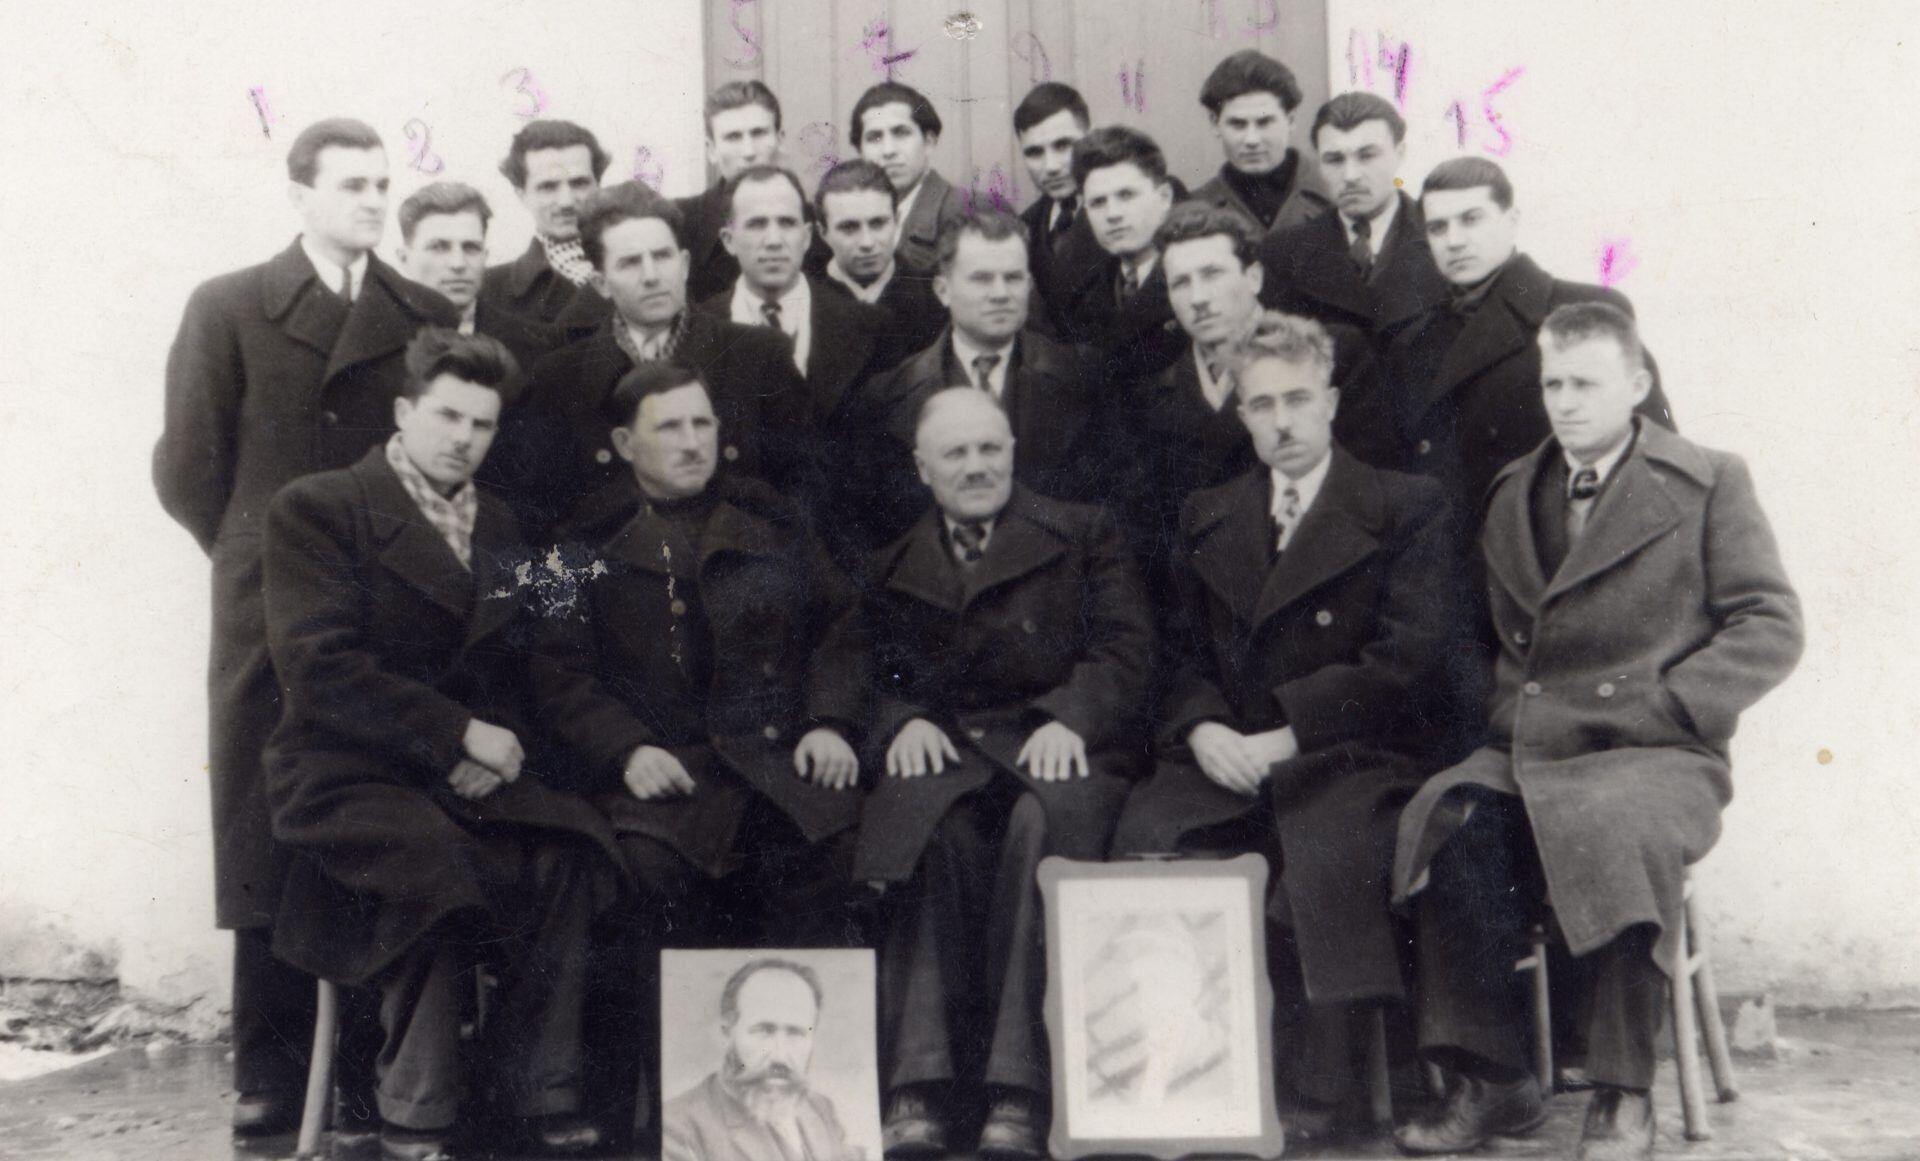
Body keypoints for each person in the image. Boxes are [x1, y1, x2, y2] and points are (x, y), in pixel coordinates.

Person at [1390, 304, 1804, 1160]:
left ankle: (1622, 1090)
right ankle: (1494, 1079)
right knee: (1452, 818)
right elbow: (1478, 636)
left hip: (1658, 747)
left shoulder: (1708, 479)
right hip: (1537, 743)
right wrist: (1506, 712)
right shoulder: (1514, 491)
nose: (1567, 402)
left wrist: (1673, 704)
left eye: (1587, 383)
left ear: (1637, 385)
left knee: (1617, 829)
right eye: (1554, 384)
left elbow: (1770, 622)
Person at [152, 116, 458, 1137]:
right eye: (351, 185)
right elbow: (186, 467)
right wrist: (261, 551)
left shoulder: (418, 312)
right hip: (266, 611)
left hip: (385, 605)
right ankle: (270, 1071)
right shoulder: (230, 305)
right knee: (263, 823)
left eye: (381, 184)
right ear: (299, 195)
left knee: (370, 811)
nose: (372, 201)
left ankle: (366, 1072)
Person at [262, 329, 622, 1160]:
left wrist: (490, 749)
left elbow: (526, 664)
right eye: (447, 415)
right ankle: (415, 1109)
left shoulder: (506, 523)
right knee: (434, 862)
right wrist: (456, 733)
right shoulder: (317, 508)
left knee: (569, 850)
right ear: (403, 412)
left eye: (482, 424)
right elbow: (319, 669)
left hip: (468, 771)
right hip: (345, 773)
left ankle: (537, 1088)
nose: (464, 437)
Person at [1110, 313, 1464, 1143]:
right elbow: (1179, 652)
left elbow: (1407, 660)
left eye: (1299, 399)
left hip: (1351, 750)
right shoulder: (1209, 514)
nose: (1283, 421)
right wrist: (1202, 728)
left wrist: (1291, 733)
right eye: (1262, 404)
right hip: (1227, 752)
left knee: (1320, 856)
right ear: (1240, 414)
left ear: (1332, 401)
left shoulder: (1404, 506)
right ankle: (1184, 1074)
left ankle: (1319, 1088)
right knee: (1150, 836)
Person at [531, 365, 870, 1141]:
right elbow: (553, 672)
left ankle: (817, 1122)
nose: (692, 443)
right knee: (643, 875)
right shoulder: (570, 543)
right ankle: (665, 1124)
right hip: (665, 774)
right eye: (670, 427)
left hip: (776, 765)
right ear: (625, 444)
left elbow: (842, 626)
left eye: (703, 424)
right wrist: (626, 748)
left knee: (831, 853)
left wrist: (830, 721)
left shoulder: (776, 520)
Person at [860, 388, 1153, 1160]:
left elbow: (1127, 648)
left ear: (1014, 451)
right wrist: (901, 720)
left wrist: (1072, 716)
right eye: (955, 452)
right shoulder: (892, 561)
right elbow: (864, 669)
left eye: (990, 447)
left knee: (1039, 824)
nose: (977, 465)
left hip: (1060, 744)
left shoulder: (1084, 532)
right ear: (922, 468)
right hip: (955, 753)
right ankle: (919, 1084)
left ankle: (1018, 1091)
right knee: (929, 825)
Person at [494, 182, 808, 537]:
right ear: (601, 283)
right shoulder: (560, 378)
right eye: (630, 263)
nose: (652, 276)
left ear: (684, 264)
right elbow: (543, 513)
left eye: (662, 256)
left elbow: (801, 489)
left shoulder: (759, 356)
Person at [1373, 157, 1675, 527]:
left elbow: (1655, 453)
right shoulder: (1412, 342)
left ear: (1511, 220)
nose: (1454, 241)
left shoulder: (1584, 310)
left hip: (1548, 542)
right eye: (1438, 227)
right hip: (1451, 553)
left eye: (1471, 219)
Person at [696, 164, 905, 551]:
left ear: (807, 236)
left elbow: (886, 465)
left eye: (787, 223)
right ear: (728, 239)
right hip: (739, 549)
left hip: (847, 549)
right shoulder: (699, 333)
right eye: (756, 224)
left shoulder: (869, 327)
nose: (774, 240)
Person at [866, 212, 1106, 548]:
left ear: (1029, 285)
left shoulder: (1082, 377)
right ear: (943, 290)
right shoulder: (889, 394)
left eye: (1013, 278)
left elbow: (1105, 513)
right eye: (981, 279)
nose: (1000, 293)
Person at [1113, 202, 1267, 597]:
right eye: (1181, 283)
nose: (1198, 298)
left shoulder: (1324, 358)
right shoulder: (1151, 397)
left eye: (1212, 274)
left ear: (1253, 277)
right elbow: (1148, 538)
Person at [1257, 92, 1447, 360]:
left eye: (1367, 156)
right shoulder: (1283, 254)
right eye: (1334, 160)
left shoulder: (1445, 239)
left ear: (1399, 154)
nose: (1350, 176)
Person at [663, 959, 861, 1161]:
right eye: (764, 1031)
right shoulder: (676, 1128)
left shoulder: (821, 1109)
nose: (779, 1055)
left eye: (796, 1033)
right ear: (727, 1032)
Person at [678, 81, 829, 304]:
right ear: (711, 150)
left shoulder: (818, 224)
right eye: (733, 137)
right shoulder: (682, 224)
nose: (748, 152)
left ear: (780, 140)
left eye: (758, 133)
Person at [1055, 127, 1184, 378]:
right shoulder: (1083, 293)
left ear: (1164, 197)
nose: (1112, 214)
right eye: (1098, 202)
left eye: (1126, 195)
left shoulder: (1193, 281)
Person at [397, 181, 563, 375]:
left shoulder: (537, 347)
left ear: (485, 256)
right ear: (404, 258)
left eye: (471, 248)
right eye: (439, 247)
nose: (458, 263)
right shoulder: (378, 343)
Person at [484, 119, 614, 330]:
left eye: (579, 183)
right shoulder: (489, 290)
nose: (566, 202)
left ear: (598, 186)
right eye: (548, 187)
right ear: (521, 195)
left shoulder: (646, 263)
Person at [814, 159, 948, 354]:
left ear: (897, 221)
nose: (867, 243)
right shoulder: (803, 302)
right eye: (849, 228)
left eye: (878, 224)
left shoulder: (935, 301)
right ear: (823, 232)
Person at [1190, 50, 1330, 234]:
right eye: (1238, 124)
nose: (1252, 140)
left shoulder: (1333, 192)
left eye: (1264, 123)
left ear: (1290, 121)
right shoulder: (1195, 212)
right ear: (1215, 124)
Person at [1010, 83, 1103, 336]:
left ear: (1091, 138)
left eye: (1063, 146)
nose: (1050, 166)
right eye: (1034, 152)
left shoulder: (1130, 208)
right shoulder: (1025, 227)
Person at [850, 81, 965, 272]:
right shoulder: (847, 218)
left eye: (901, 133)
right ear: (860, 151)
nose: (888, 150)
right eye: (874, 137)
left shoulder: (968, 211)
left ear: (929, 142)